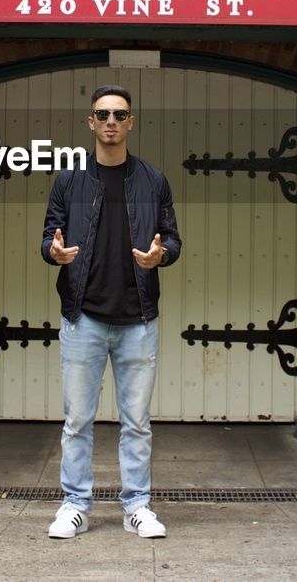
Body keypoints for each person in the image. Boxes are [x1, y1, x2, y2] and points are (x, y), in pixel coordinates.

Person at [41, 84, 181, 539]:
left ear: (131, 123)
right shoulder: (69, 180)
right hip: (83, 316)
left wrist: (162, 256)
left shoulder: (153, 179)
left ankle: (136, 505)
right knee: (77, 420)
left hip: (138, 318)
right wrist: (54, 252)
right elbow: (49, 236)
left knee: (136, 422)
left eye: (120, 115)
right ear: (90, 122)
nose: (111, 123)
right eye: (102, 115)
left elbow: (172, 238)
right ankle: (75, 505)